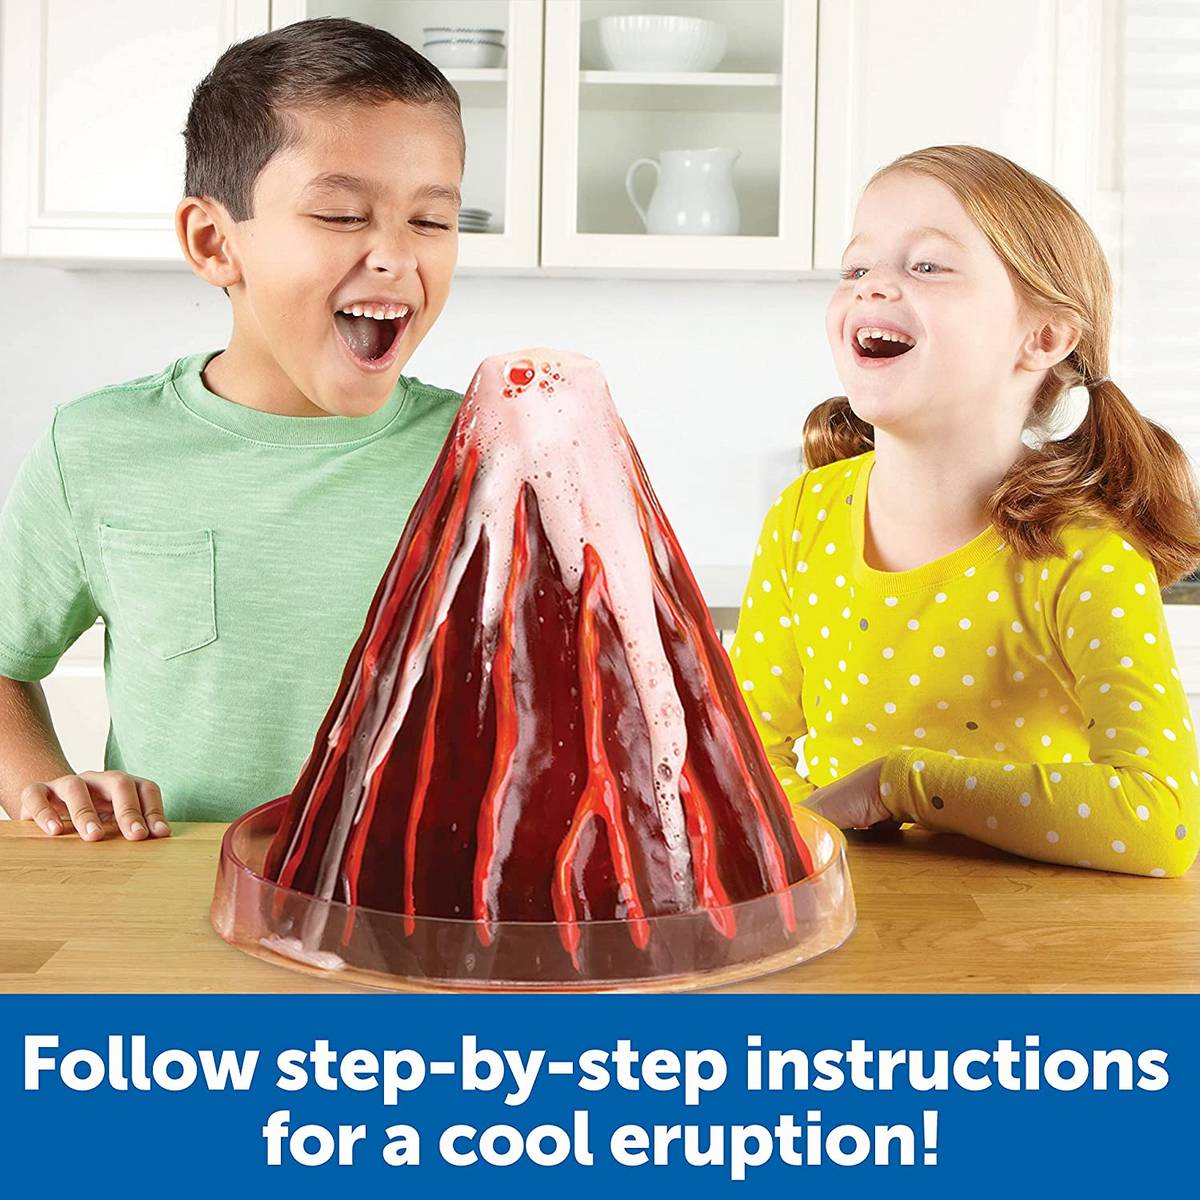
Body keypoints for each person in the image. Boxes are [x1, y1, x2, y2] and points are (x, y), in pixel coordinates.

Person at [0, 18, 466, 838]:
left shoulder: (488, 454)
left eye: (430, 221)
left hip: (419, 895)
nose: (398, 257)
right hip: (179, 895)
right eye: (341, 215)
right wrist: (50, 795)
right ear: (215, 242)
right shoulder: (97, 447)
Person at [730, 145, 1200, 877]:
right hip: (851, 916)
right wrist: (811, 836)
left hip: (1029, 935)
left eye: (927, 266)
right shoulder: (803, 516)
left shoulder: (1085, 556)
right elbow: (742, 753)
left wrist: (901, 785)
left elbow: (1160, 821)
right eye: (855, 268)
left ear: (1043, 337)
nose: (871, 286)